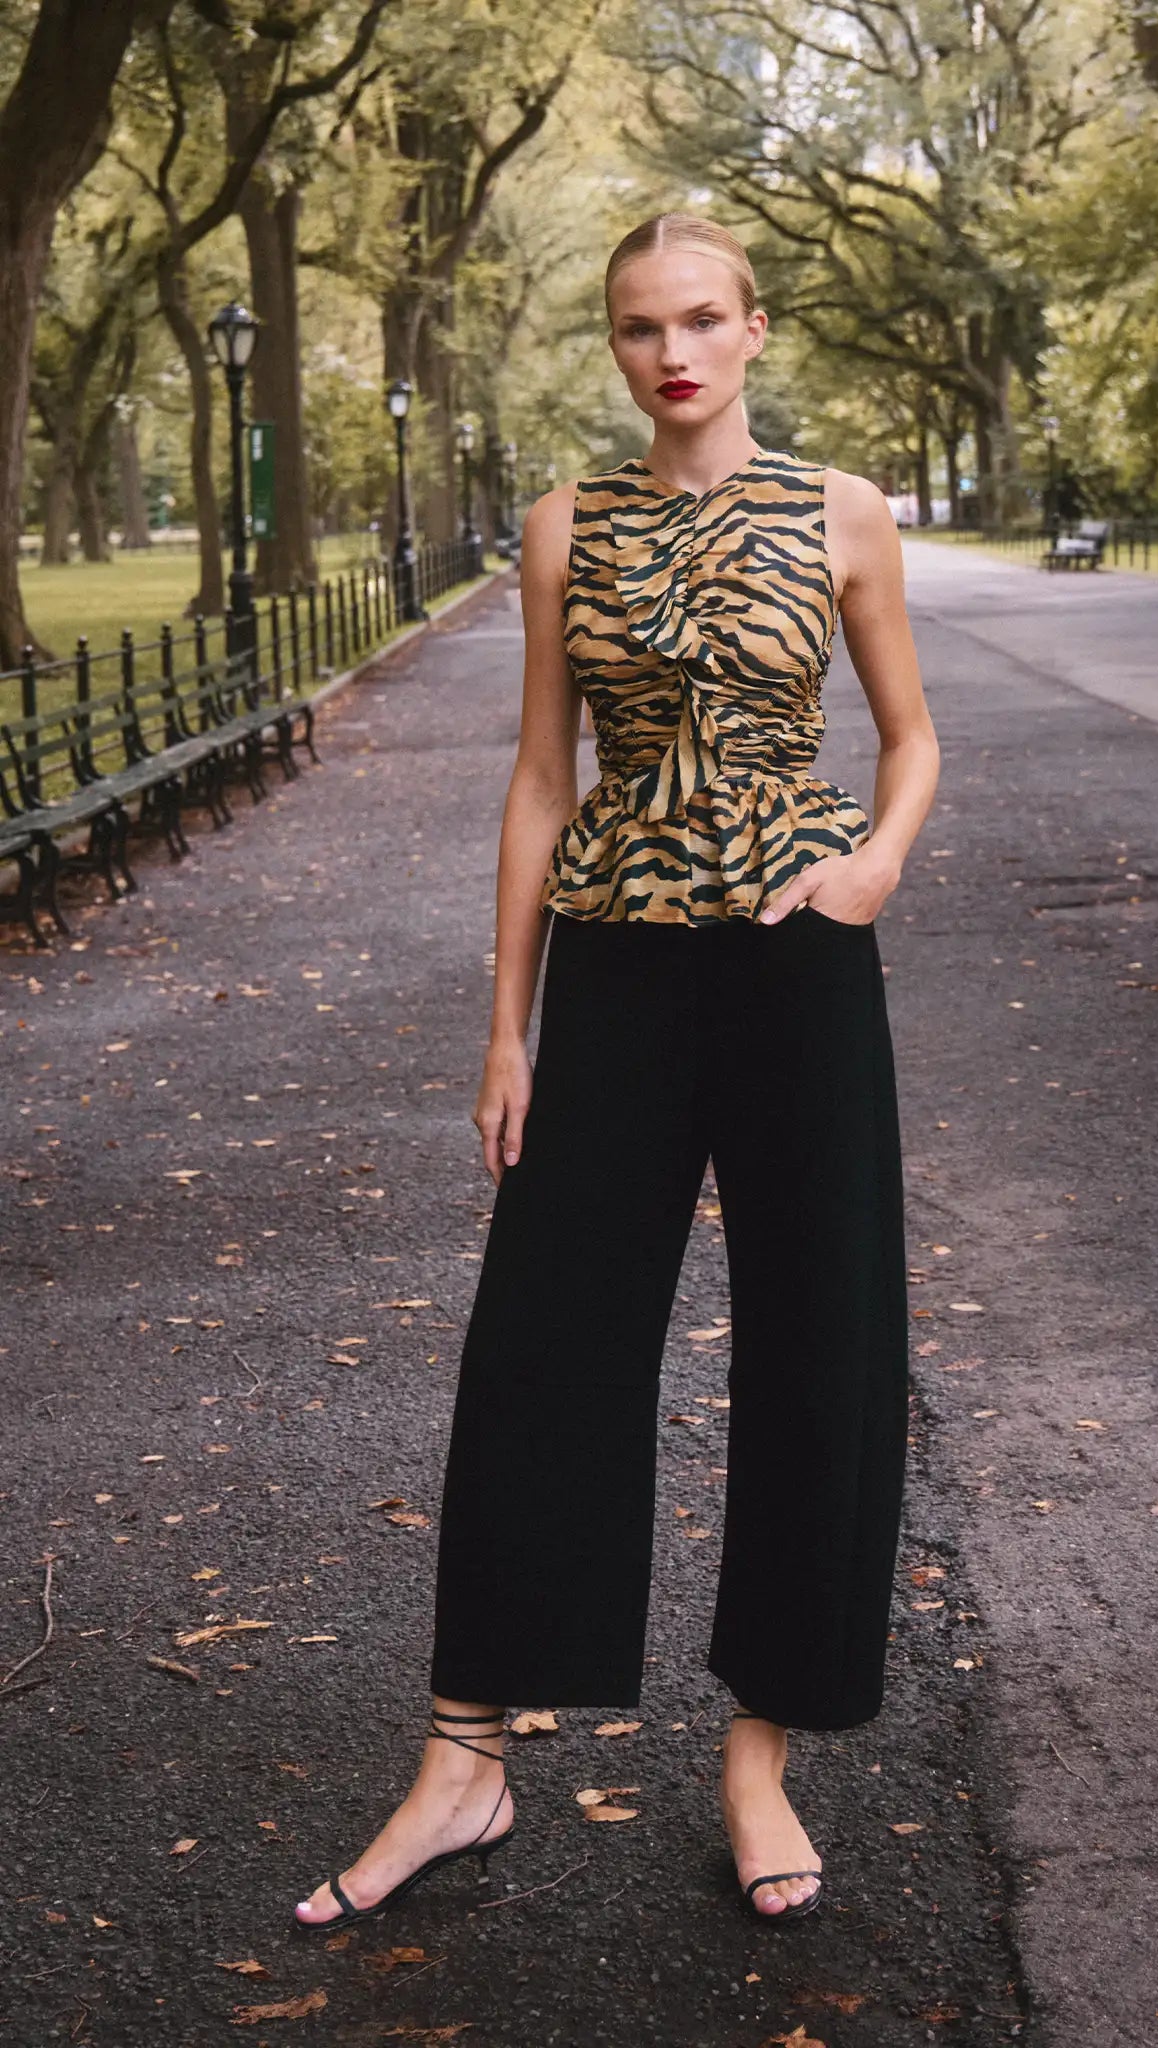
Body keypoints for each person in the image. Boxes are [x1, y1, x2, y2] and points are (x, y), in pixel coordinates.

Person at [294, 211, 940, 1935]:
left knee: (824, 1341)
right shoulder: (565, 530)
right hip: (620, 964)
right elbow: (534, 780)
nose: (676, 350)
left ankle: (757, 1760)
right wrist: (506, 1025)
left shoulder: (843, 513)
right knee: (542, 1339)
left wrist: (874, 863)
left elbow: (912, 731)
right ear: (615, 345)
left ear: (752, 328)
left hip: (803, 953)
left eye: (704, 319)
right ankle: (464, 1763)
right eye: (643, 326)